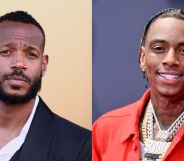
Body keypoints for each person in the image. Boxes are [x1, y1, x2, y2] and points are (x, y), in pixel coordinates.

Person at [92, 8, 184, 161]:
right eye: (159, 48)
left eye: (183, 50)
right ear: (142, 58)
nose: (170, 60)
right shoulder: (105, 129)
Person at [0, 10, 91, 161]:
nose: (19, 64)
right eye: (6, 51)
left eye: (31, 54)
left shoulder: (83, 147)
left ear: (43, 65)